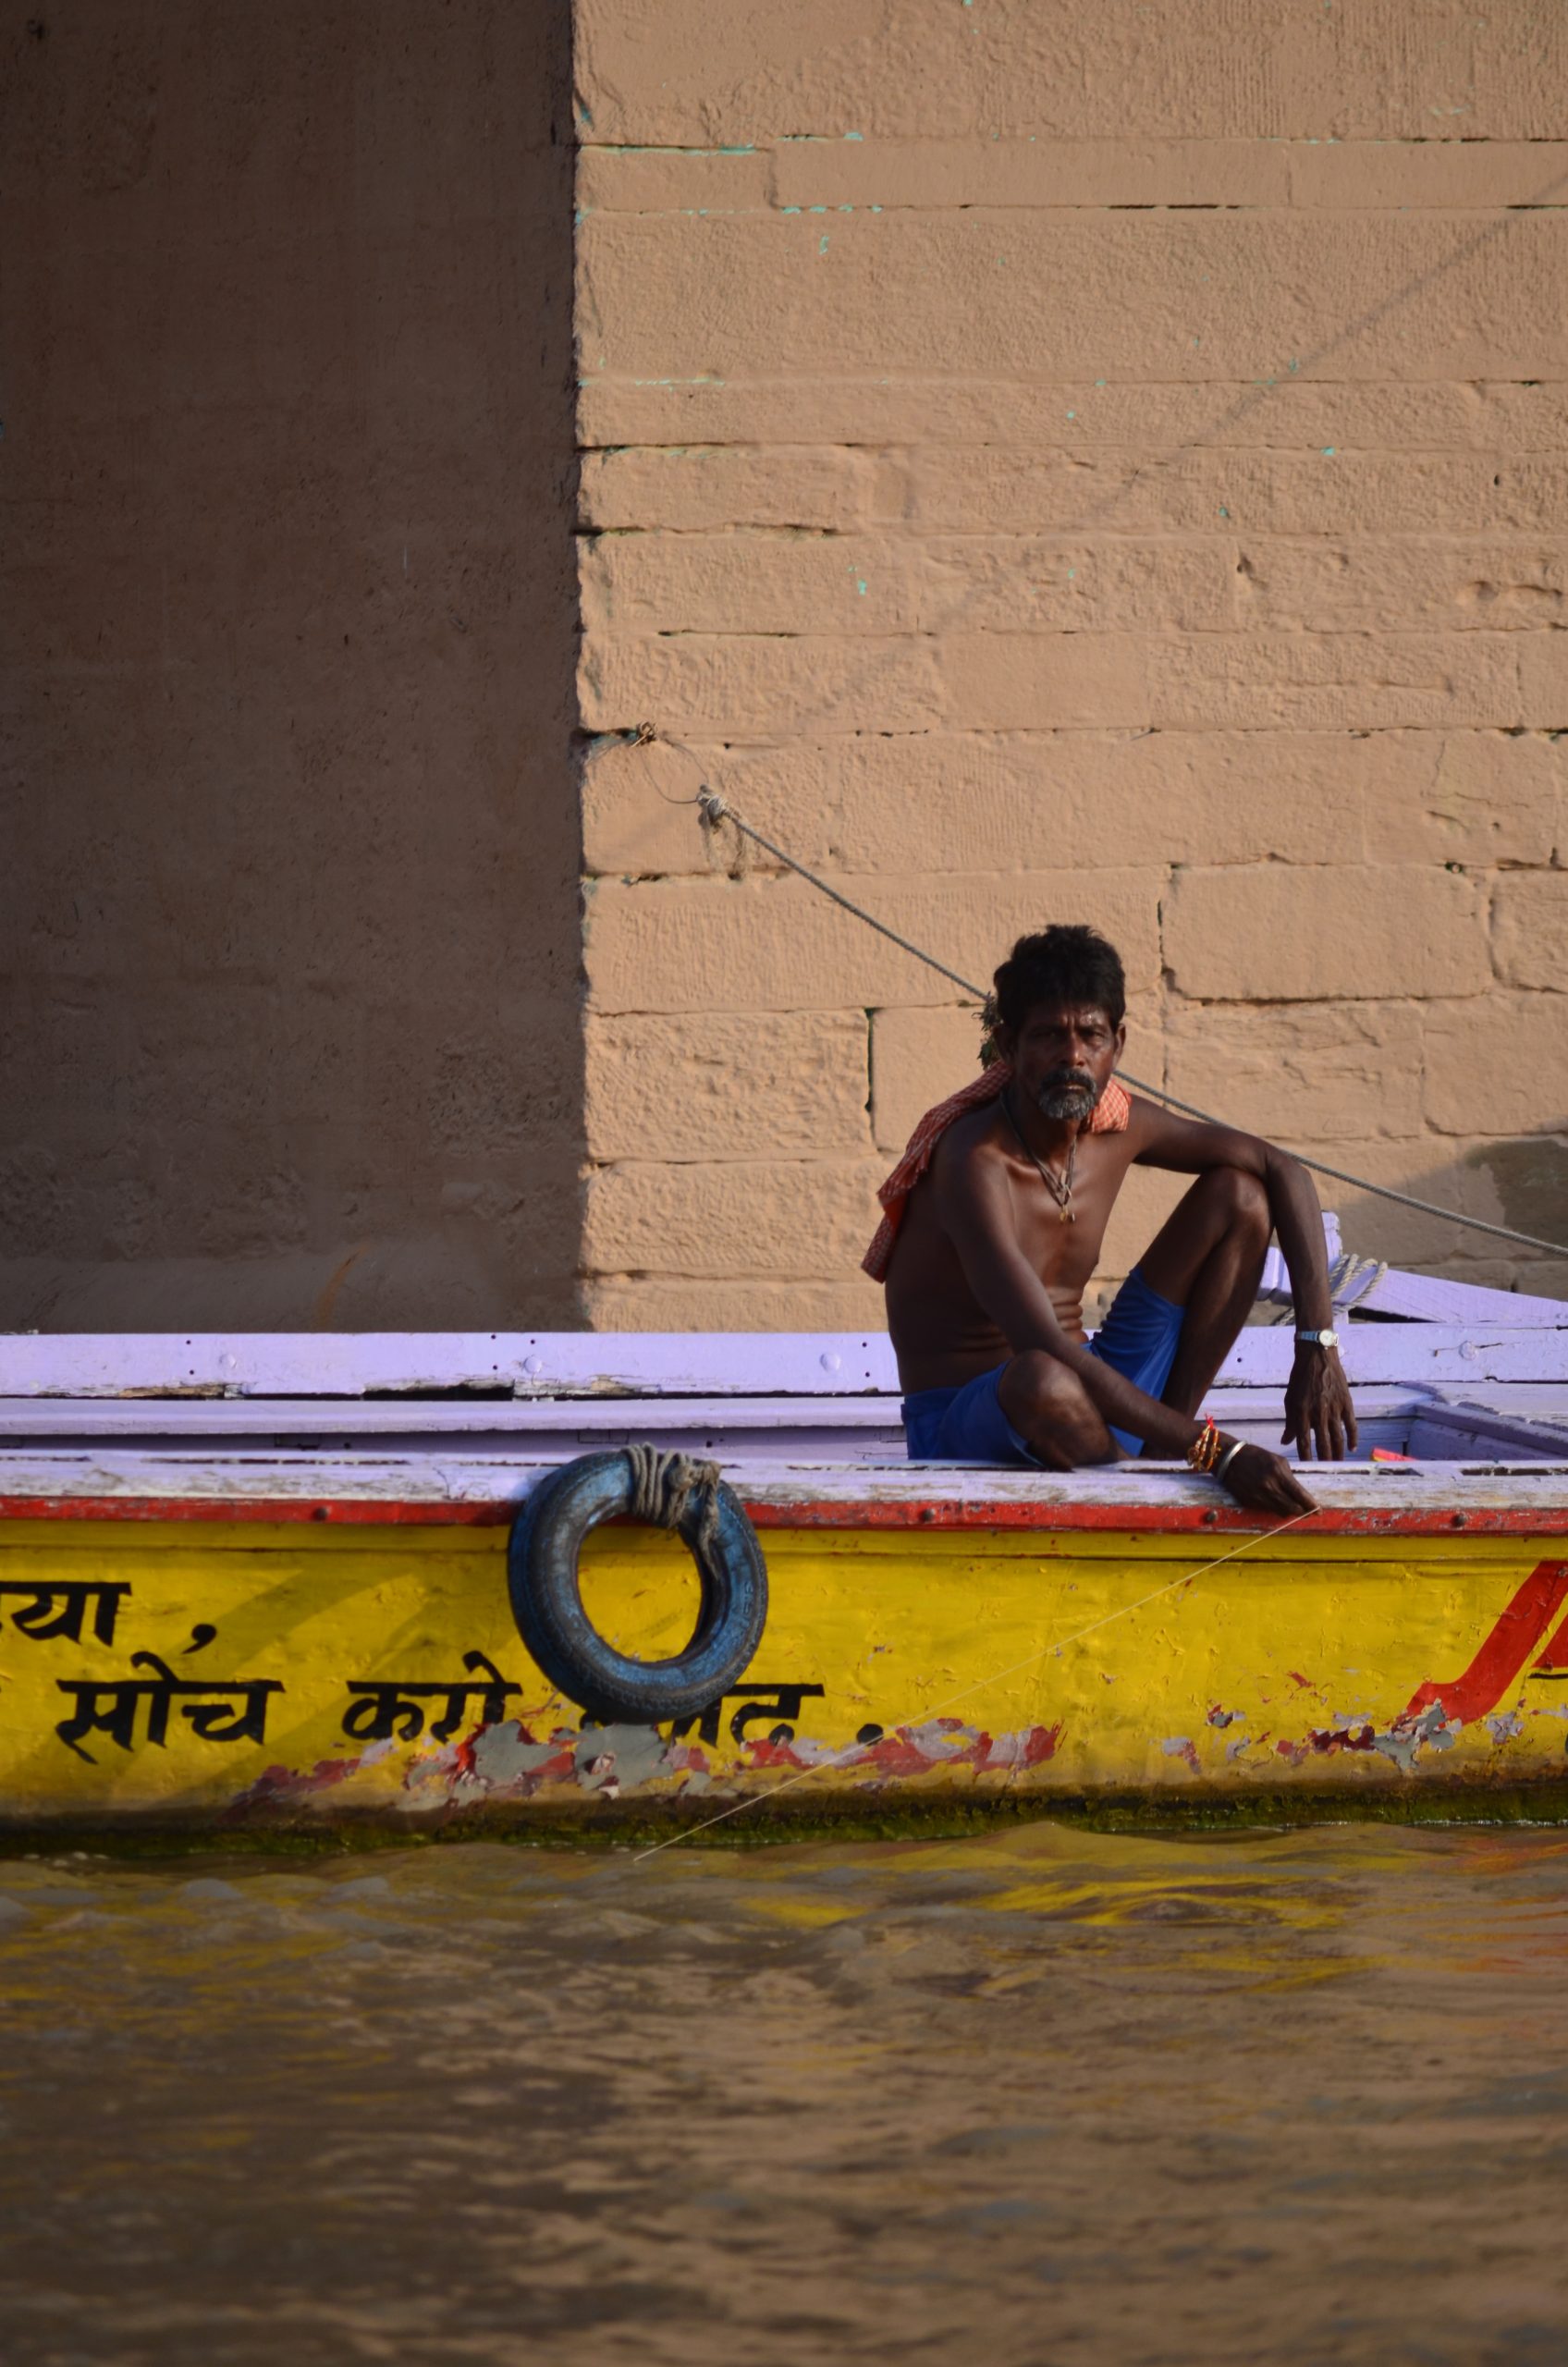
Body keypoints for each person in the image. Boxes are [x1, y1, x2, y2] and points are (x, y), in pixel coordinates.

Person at [865, 926, 1357, 1515]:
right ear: (1008, 1046)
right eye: (1049, 1035)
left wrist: (1317, 1346)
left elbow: (1282, 1169)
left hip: (1091, 1395)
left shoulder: (1117, 1126)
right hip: (975, 1422)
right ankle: (1147, 1491)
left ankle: (1159, 1457)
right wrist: (1219, 1452)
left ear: (1117, 1044)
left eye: (1091, 1035)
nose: (1073, 1056)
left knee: (1242, 1196)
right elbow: (1043, 1347)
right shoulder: (973, 1162)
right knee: (1041, 1377)